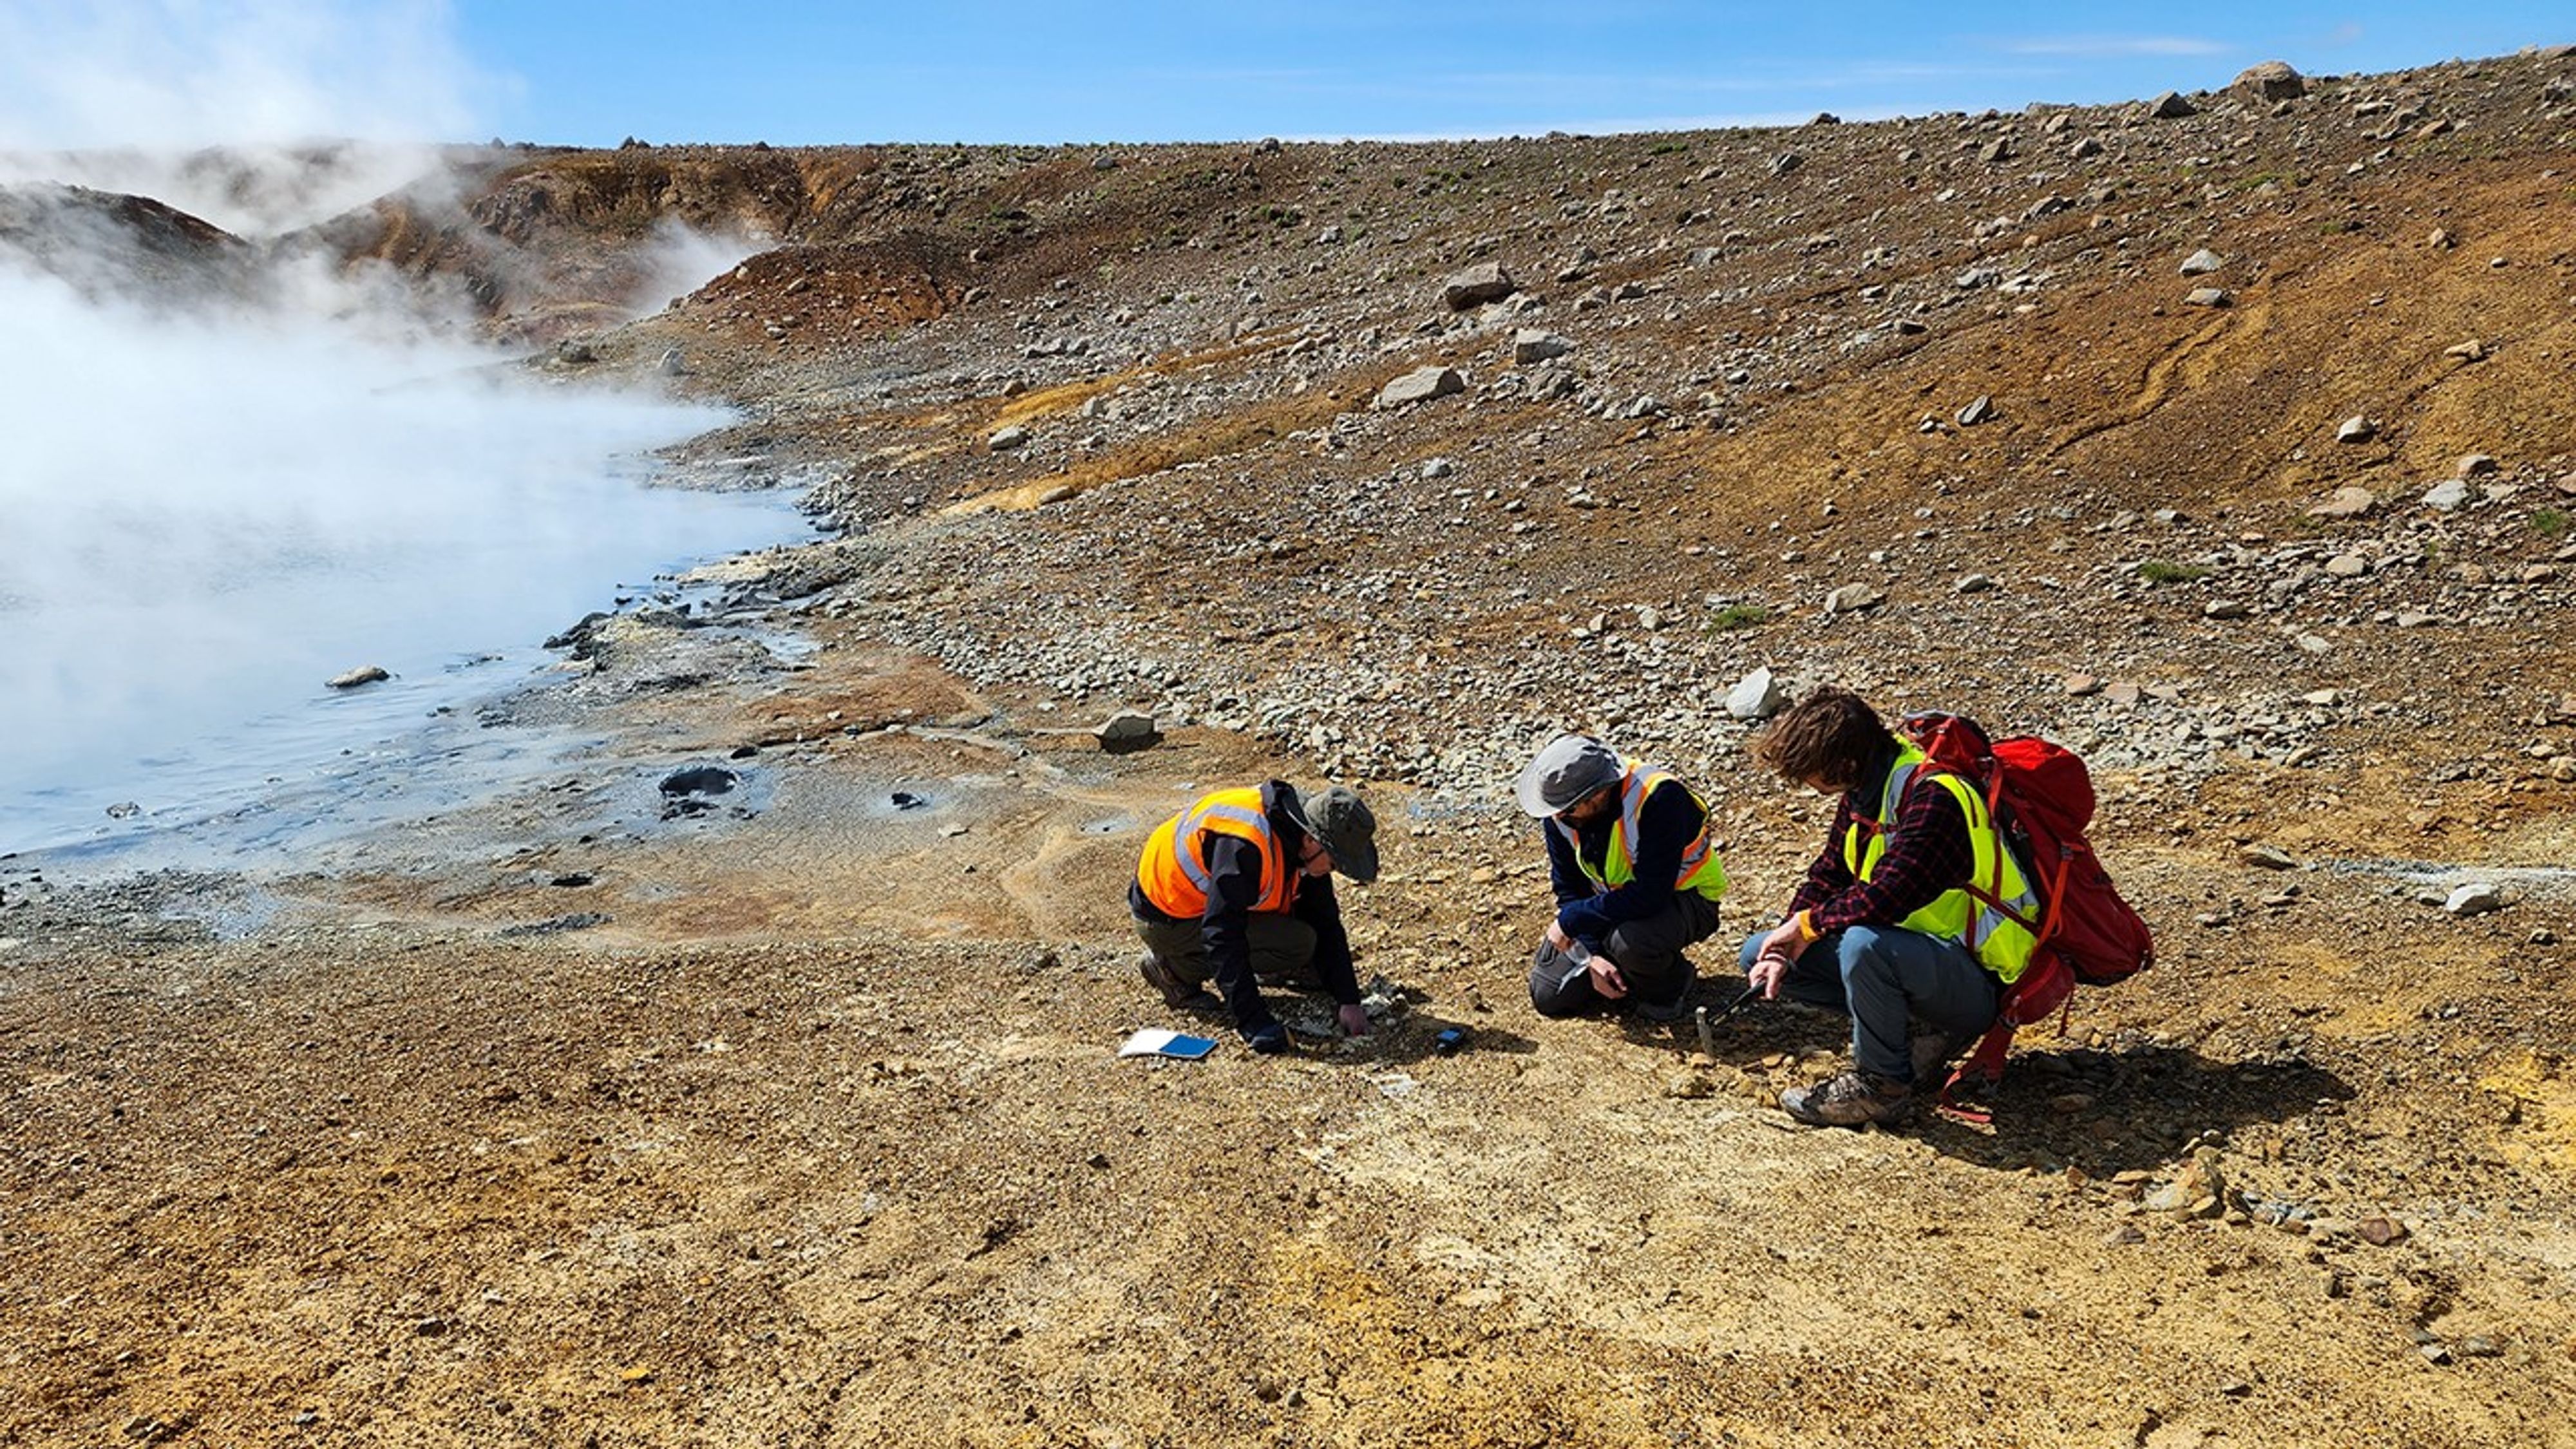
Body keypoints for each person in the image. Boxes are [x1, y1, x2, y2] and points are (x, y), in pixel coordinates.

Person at [1739, 686, 2043, 1127]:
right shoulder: (1867, 789)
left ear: (1844, 763)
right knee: (1761, 951)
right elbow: (1831, 874)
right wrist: (1786, 938)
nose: (1807, 785)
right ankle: (1919, 1035)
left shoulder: (1934, 796)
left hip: (1980, 979)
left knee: (1866, 945)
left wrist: (1806, 927)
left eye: (1812, 775)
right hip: (1923, 961)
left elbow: (1888, 894)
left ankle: (1881, 1085)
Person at [1130, 781, 1380, 1054]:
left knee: (1304, 942)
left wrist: (1348, 999)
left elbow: (1326, 920)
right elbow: (1222, 934)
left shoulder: (1302, 831)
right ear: (1312, 840)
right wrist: (1255, 1022)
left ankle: (1269, 965)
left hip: (1207, 906)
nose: (1333, 871)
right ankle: (1173, 971)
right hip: (1166, 919)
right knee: (1297, 941)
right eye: (1334, 864)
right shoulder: (1246, 844)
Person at [1514, 734, 1727, 1023]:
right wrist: (1590, 956)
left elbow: (1650, 895)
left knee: (1631, 943)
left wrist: (1570, 922)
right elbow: (1569, 888)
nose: (1558, 817)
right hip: (1614, 905)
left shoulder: (1659, 797)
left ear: (1597, 794)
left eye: (1567, 810)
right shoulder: (1560, 813)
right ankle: (1621, 967)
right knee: (1549, 995)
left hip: (1685, 900)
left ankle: (1672, 983)